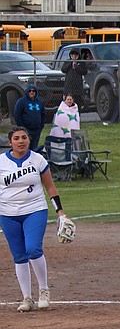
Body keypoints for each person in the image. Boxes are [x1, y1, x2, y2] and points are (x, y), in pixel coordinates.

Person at [1, 126, 71, 312]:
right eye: (16, 138)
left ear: (29, 140)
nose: (21, 141)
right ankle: (27, 298)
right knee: (19, 255)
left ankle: (43, 290)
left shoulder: (37, 159)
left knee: (33, 249)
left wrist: (60, 212)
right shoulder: (1, 162)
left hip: (34, 210)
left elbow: (50, 187)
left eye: (24, 137)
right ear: (10, 142)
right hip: (8, 214)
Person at [12, 85, 46, 152]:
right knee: (25, 148)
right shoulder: (21, 101)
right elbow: (17, 114)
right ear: (27, 92)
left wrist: (41, 126)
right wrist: (22, 127)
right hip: (26, 129)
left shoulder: (40, 102)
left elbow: (43, 115)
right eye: (30, 91)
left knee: (34, 149)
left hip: (37, 130)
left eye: (33, 91)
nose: (31, 92)